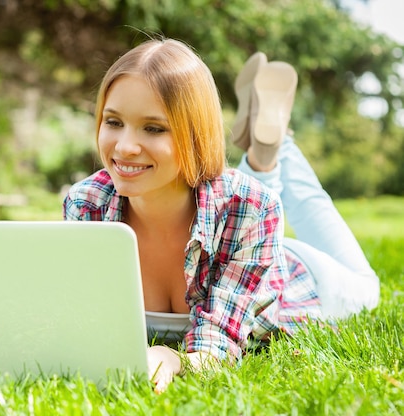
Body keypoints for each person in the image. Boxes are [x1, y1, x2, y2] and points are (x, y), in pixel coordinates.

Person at [62, 38, 380, 393]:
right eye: (113, 122)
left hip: (305, 278)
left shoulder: (253, 209)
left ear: (196, 133)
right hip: (235, 233)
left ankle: (275, 146)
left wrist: (173, 358)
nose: (124, 147)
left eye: (153, 128)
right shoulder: (87, 203)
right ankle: (263, 150)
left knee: (366, 284)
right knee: (240, 197)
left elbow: (217, 345)